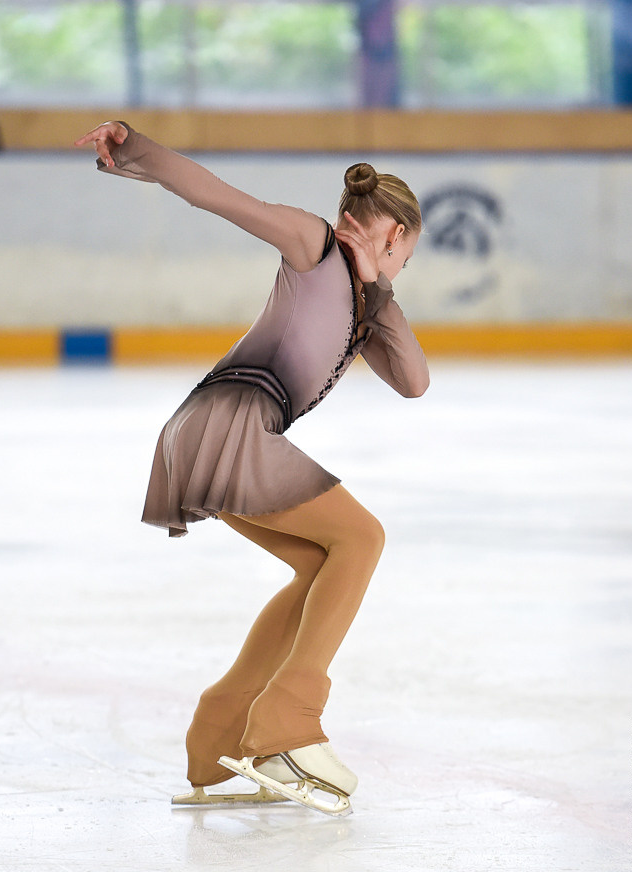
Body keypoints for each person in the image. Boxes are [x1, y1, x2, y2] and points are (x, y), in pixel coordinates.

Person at [75, 120, 430, 816]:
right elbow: (216, 195)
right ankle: (288, 721)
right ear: (391, 237)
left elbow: (413, 381)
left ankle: (220, 734)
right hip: (228, 424)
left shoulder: (367, 301)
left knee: (320, 563)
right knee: (361, 538)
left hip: (210, 432)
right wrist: (135, 147)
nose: (398, 272)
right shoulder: (311, 244)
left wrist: (379, 290)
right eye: (403, 259)